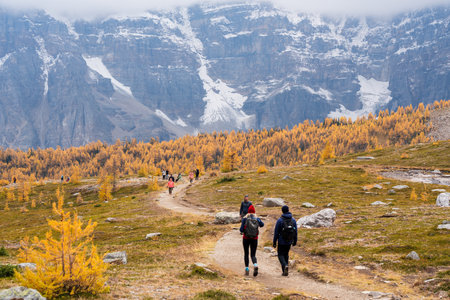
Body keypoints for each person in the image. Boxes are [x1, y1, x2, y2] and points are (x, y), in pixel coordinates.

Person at [239, 205, 264, 276]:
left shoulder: (245, 219)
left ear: (248, 211)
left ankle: (247, 269)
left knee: (246, 253)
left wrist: (242, 231)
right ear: (254, 211)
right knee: (253, 254)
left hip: (246, 238)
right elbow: (262, 225)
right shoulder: (257, 219)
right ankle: (255, 264)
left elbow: (241, 229)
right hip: (254, 239)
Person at [273, 205, 297, 276]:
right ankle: (285, 272)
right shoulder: (293, 220)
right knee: (286, 254)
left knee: (280, 255)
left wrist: (274, 242)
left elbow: (276, 232)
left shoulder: (280, 220)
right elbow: (295, 232)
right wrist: (295, 240)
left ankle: (285, 265)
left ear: (282, 211)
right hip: (289, 241)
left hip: (281, 241)